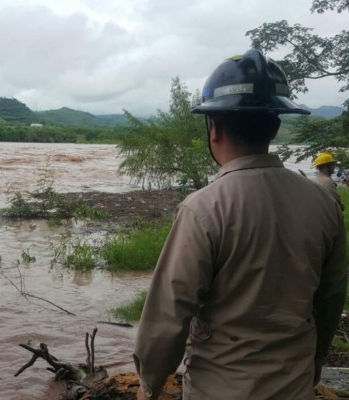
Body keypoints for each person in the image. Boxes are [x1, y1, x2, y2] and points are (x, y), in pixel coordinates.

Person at [133, 49, 347, 400]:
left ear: (213, 128)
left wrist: (149, 384)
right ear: (276, 126)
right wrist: (315, 363)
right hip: (294, 388)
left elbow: (168, 314)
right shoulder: (324, 203)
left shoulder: (202, 209)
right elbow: (329, 299)